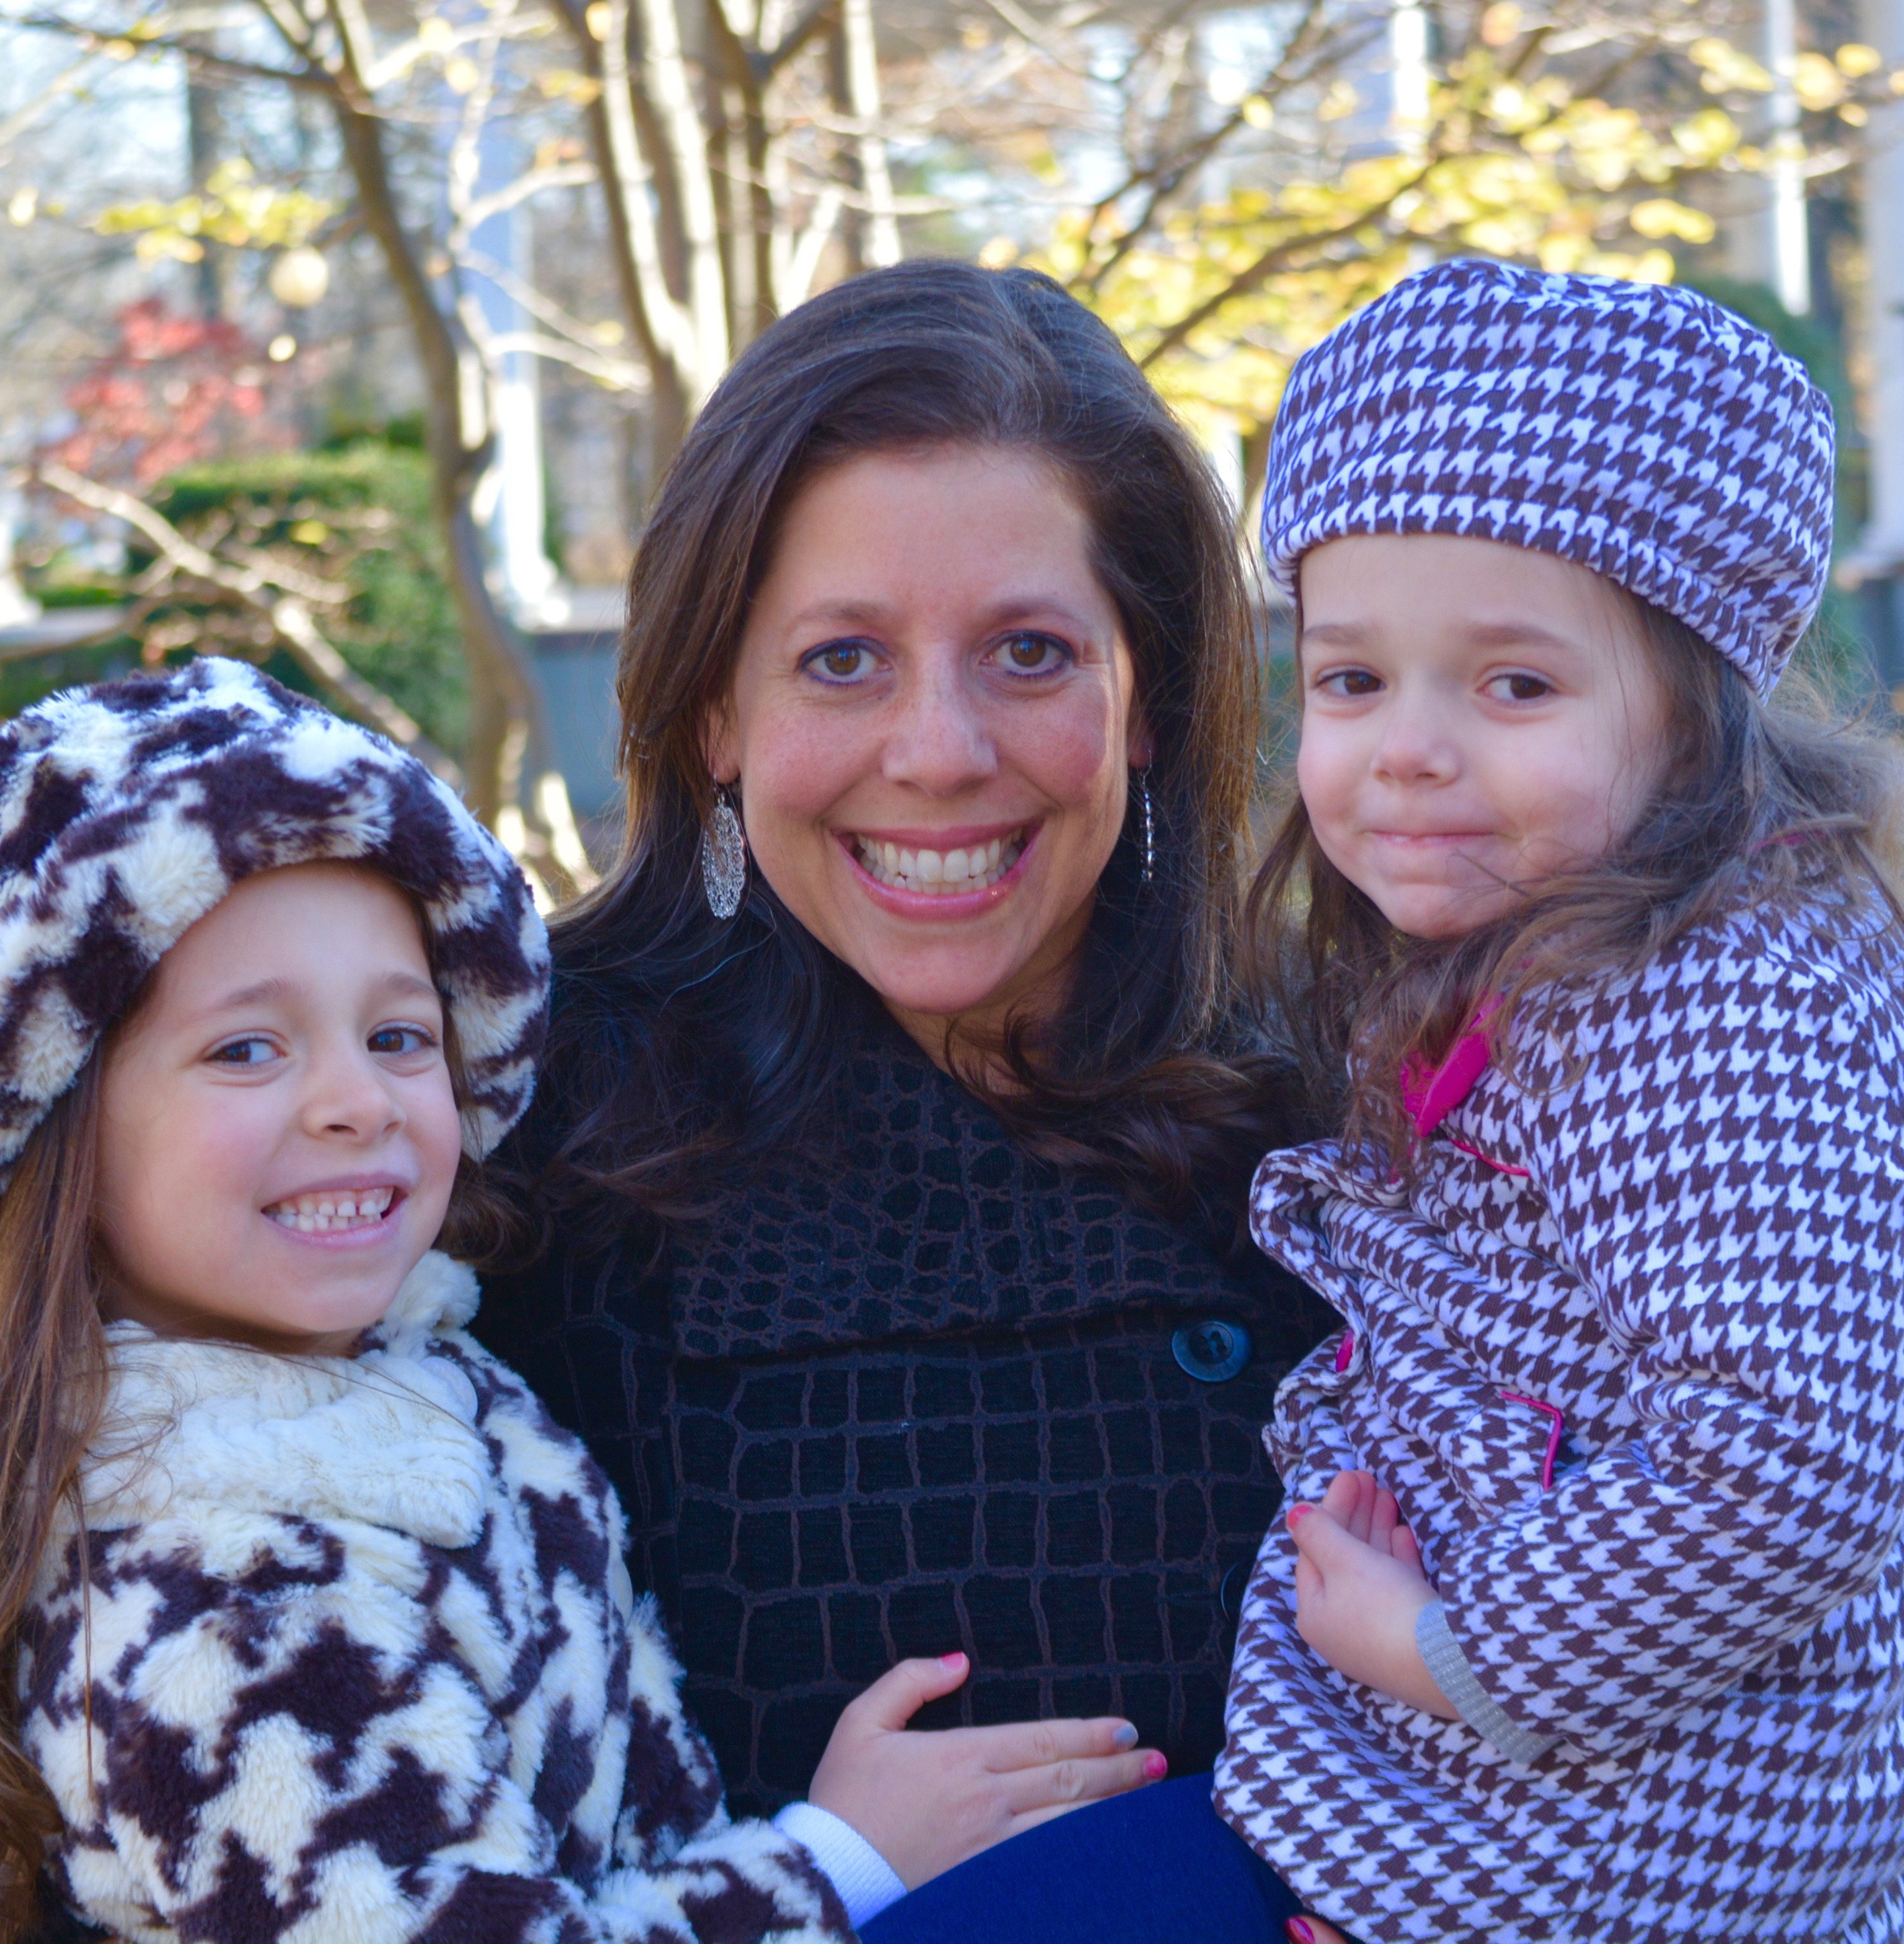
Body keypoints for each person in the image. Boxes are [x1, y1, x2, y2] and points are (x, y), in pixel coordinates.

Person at [0, 658, 1162, 1944]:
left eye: (399, 1035)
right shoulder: (226, 1586)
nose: (355, 1102)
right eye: (245, 1048)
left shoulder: (386, 1383)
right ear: (55, 1133)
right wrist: (836, 1863)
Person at [1213, 260, 1904, 1943]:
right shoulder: (1616, 930)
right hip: (1706, 1725)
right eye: (1350, 680)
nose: (1407, 749)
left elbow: (1785, 1464)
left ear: (1692, 719)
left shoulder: (1697, 1015)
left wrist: (1444, 1655)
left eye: (1514, 686)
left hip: (1634, 1806)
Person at [471, 260, 1329, 1923]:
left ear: (1142, 695)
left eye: (1026, 651)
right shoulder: (507, 1131)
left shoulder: (1362, 1119)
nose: (936, 751)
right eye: (842, 660)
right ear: (714, 706)